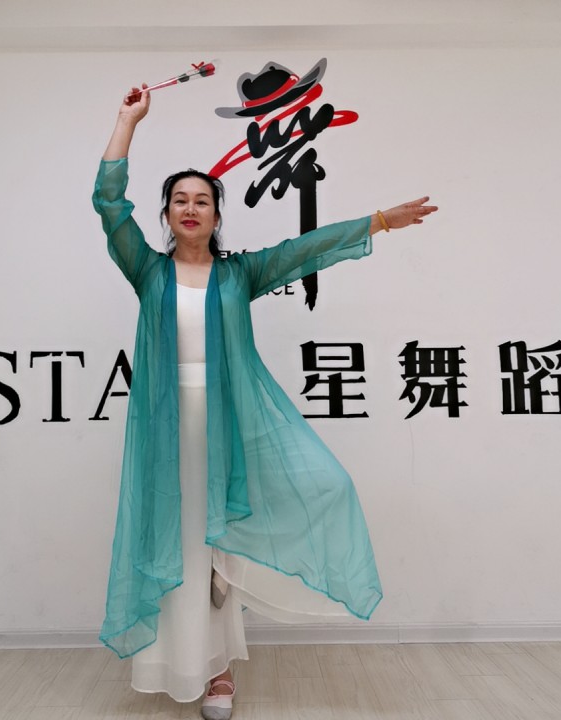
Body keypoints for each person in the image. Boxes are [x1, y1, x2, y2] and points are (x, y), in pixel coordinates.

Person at [93, 85, 438, 720]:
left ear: (217, 216)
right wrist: (126, 122)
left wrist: (379, 221)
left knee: (220, 549)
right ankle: (178, 664)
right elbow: (108, 202)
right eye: (180, 200)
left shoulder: (239, 274)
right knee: (179, 546)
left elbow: (305, 250)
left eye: (202, 200)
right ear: (165, 214)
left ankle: (219, 669)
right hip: (166, 435)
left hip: (227, 429)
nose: (191, 208)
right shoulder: (147, 269)